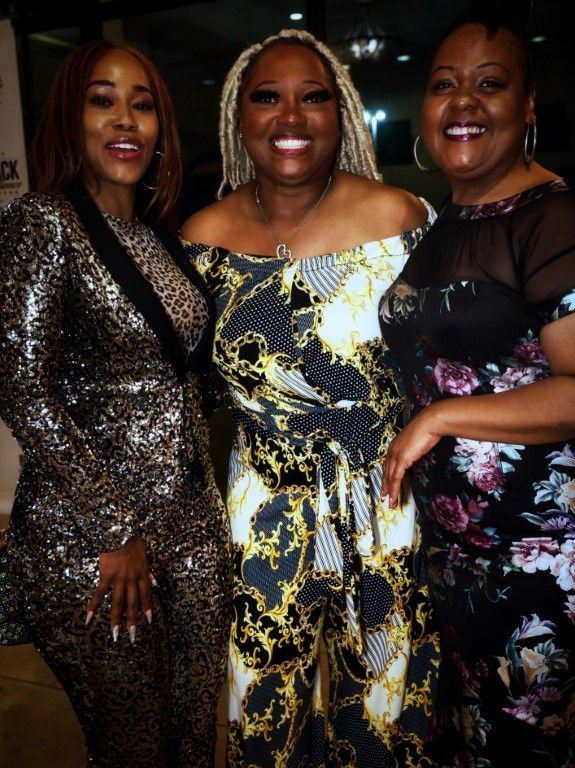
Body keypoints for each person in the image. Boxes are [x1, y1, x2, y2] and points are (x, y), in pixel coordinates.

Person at [180, 27, 439, 768]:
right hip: (263, 508)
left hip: (384, 500)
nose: (290, 118)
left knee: (384, 712)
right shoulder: (201, 239)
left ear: (343, 113)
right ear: (239, 117)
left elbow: (455, 364)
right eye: (267, 98)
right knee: (266, 711)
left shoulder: (401, 221)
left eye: (312, 97)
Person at [0, 40, 231, 768]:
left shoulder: (161, 239)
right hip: (96, 546)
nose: (124, 119)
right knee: (134, 748)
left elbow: (184, 380)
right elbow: (22, 388)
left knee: (196, 740)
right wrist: (114, 527)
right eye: (102, 100)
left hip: (193, 530)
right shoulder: (43, 223)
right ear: (71, 119)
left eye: (143, 104)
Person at [379, 4, 575, 766]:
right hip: (457, 557)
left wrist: (440, 418)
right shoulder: (441, 225)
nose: (462, 103)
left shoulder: (551, 218)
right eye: (443, 85)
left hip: (541, 562)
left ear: (526, 105)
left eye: (488, 85)